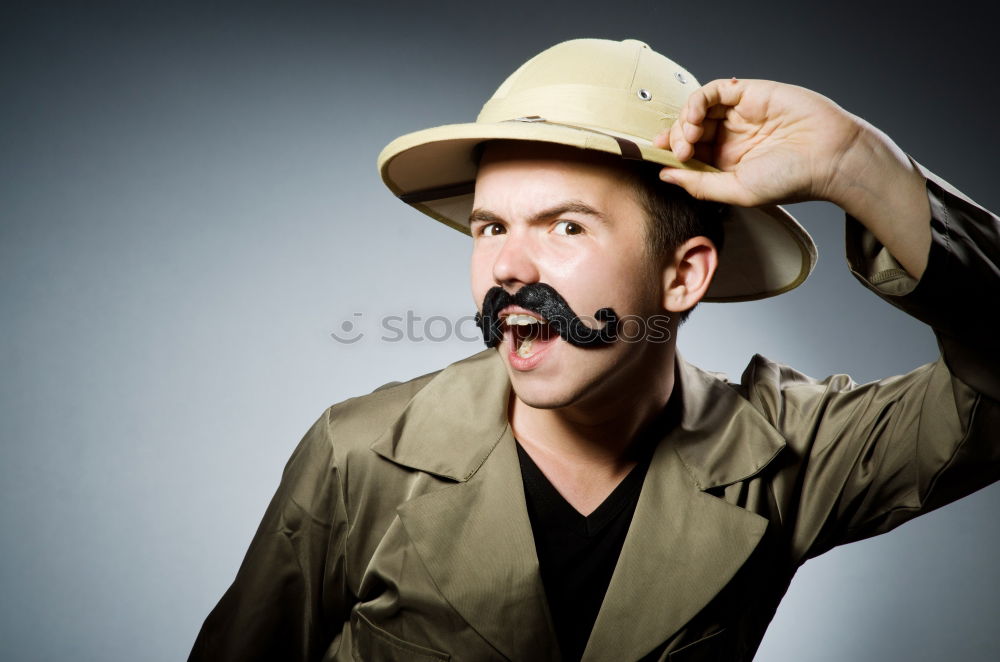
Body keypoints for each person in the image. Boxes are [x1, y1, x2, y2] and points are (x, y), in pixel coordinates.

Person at [189, 38, 999, 661]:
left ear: (682, 276)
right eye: (491, 227)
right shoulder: (358, 454)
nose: (507, 265)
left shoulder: (793, 453)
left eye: (566, 226)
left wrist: (861, 165)